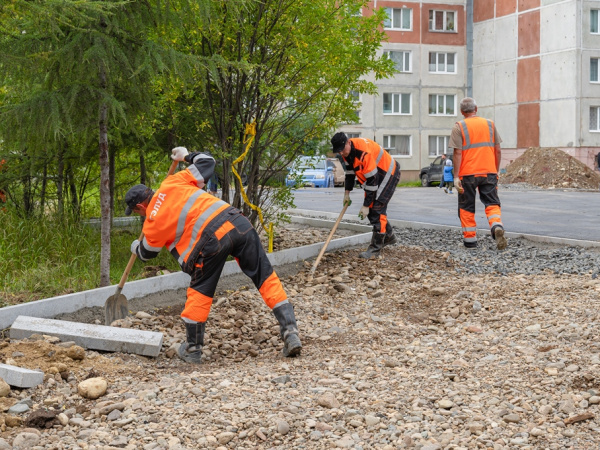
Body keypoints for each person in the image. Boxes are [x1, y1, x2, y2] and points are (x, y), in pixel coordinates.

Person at [124, 147, 302, 363]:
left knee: (200, 290)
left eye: (136, 211)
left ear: (141, 206)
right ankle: (290, 331)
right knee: (264, 276)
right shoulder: (173, 182)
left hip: (210, 243)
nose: (139, 214)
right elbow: (207, 161)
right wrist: (185, 155)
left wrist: (136, 246)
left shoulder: (151, 224)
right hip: (237, 222)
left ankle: (192, 349)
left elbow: (147, 253)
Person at [449, 97, 507, 250]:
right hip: (489, 171)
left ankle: (470, 242)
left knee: (466, 206)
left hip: (467, 174)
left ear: (462, 111)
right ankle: (496, 226)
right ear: (477, 108)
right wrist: (495, 170)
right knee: (492, 203)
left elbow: (457, 153)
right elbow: (498, 150)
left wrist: (456, 177)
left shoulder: (459, 127)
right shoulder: (490, 124)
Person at [330, 132, 401, 258]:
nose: (341, 153)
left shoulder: (363, 152)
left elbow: (372, 182)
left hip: (387, 174)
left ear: (348, 142)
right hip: (376, 176)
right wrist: (346, 193)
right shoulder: (347, 153)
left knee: (377, 209)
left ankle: (375, 250)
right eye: (338, 151)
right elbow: (350, 174)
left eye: (342, 150)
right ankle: (388, 237)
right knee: (372, 209)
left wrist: (366, 205)